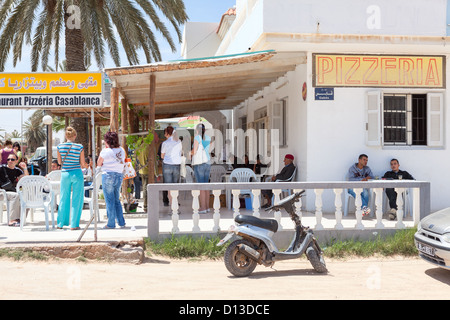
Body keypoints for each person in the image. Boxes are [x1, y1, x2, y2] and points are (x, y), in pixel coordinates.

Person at [56, 127, 87, 230]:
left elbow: (60, 163)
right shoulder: (79, 147)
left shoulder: (59, 146)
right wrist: (87, 166)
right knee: (77, 199)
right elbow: (82, 164)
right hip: (77, 173)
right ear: (75, 136)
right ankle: (74, 224)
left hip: (65, 174)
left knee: (63, 198)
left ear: (66, 136)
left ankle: (60, 223)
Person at [97, 131, 126, 229]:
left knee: (109, 200)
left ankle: (111, 223)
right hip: (119, 175)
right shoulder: (121, 150)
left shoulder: (105, 151)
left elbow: (99, 163)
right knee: (116, 199)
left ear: (107, 141)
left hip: (108, 175)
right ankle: (121, 222)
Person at [0, 153, 29, 227]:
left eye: (12, 159)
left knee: (26, 197)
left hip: (11, 192)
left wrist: (25, 168)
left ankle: (20, 218)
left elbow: (26, 179)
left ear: (16, 161)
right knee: (15, 196)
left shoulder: (17, 170)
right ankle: (12, 220)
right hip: (1, 192)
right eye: (8, 159)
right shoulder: (1, 169)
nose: (10, 161)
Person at [190, 123, 211, 214]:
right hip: (207, 163)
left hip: (199, 164)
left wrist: (188, 152)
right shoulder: (208, 138)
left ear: (197, 130)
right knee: (206, 186)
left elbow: (194, 151)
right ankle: (207, 207)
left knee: (201, 186)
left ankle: (202, 207)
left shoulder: (197, 138)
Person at [161, 126, 182, 206]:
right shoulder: (179, 141)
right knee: (175, 185)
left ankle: (171, 204)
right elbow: (180, 153)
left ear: (167, 133)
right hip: (176, 165)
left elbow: (162, 156)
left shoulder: (165, 143)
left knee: (169, 186)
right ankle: (175, 202)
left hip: (167, 165)